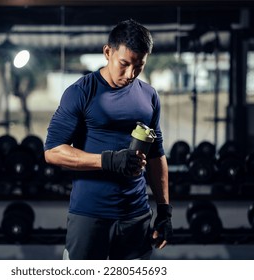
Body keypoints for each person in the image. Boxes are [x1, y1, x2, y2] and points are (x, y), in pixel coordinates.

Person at [44, 19, 172, 260]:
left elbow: (156, 155)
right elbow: (52, 151)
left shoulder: (149, 96)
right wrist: (108, 161)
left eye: (139, 66)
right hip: (90, 215)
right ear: (107, 52)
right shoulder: (81, 92)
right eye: (124, 64)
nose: (130, 74)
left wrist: (164, 210)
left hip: (136, 215)